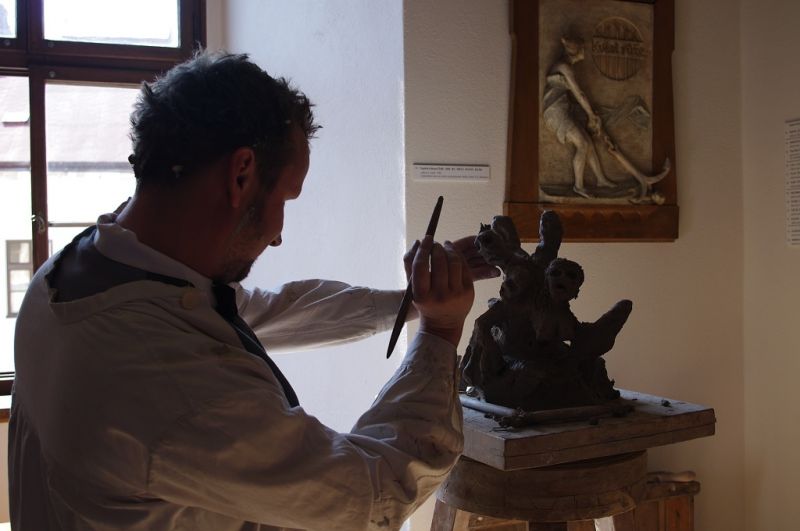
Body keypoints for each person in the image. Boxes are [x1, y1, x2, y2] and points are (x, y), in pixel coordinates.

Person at [8, 51, 497, 531]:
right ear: (241, 173)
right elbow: (375, 496)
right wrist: (440, 332)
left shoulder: (83, 269)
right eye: (286, 197)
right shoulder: (168, 381)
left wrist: (412, 301)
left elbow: (266, 311)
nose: (278, 234)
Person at [542, 36, 616, 198]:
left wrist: (590, 114)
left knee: (588, 141)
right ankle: (579, 187)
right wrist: (591, 115)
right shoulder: (564, 67)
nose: (584, 51)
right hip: (556, 113)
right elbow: (579, 94)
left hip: (562, 110)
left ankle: (601, 180)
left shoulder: (565, 66)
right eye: (582, 48)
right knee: (583, 144)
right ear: (575, 51)